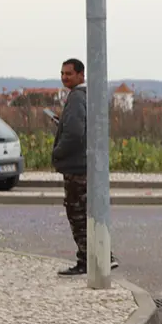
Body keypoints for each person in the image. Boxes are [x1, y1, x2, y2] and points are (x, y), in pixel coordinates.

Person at [52, 57, 117, 276]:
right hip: (84, 165)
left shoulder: (77, 97)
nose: (64, 77)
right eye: (62, 73)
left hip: (76, 169)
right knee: (87, 213)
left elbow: (74, 132)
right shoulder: (86, 96)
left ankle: (92, 260)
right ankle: (99, 257)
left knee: (77, 214)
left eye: (68, 73)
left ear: (80, 75)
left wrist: (57, 152)